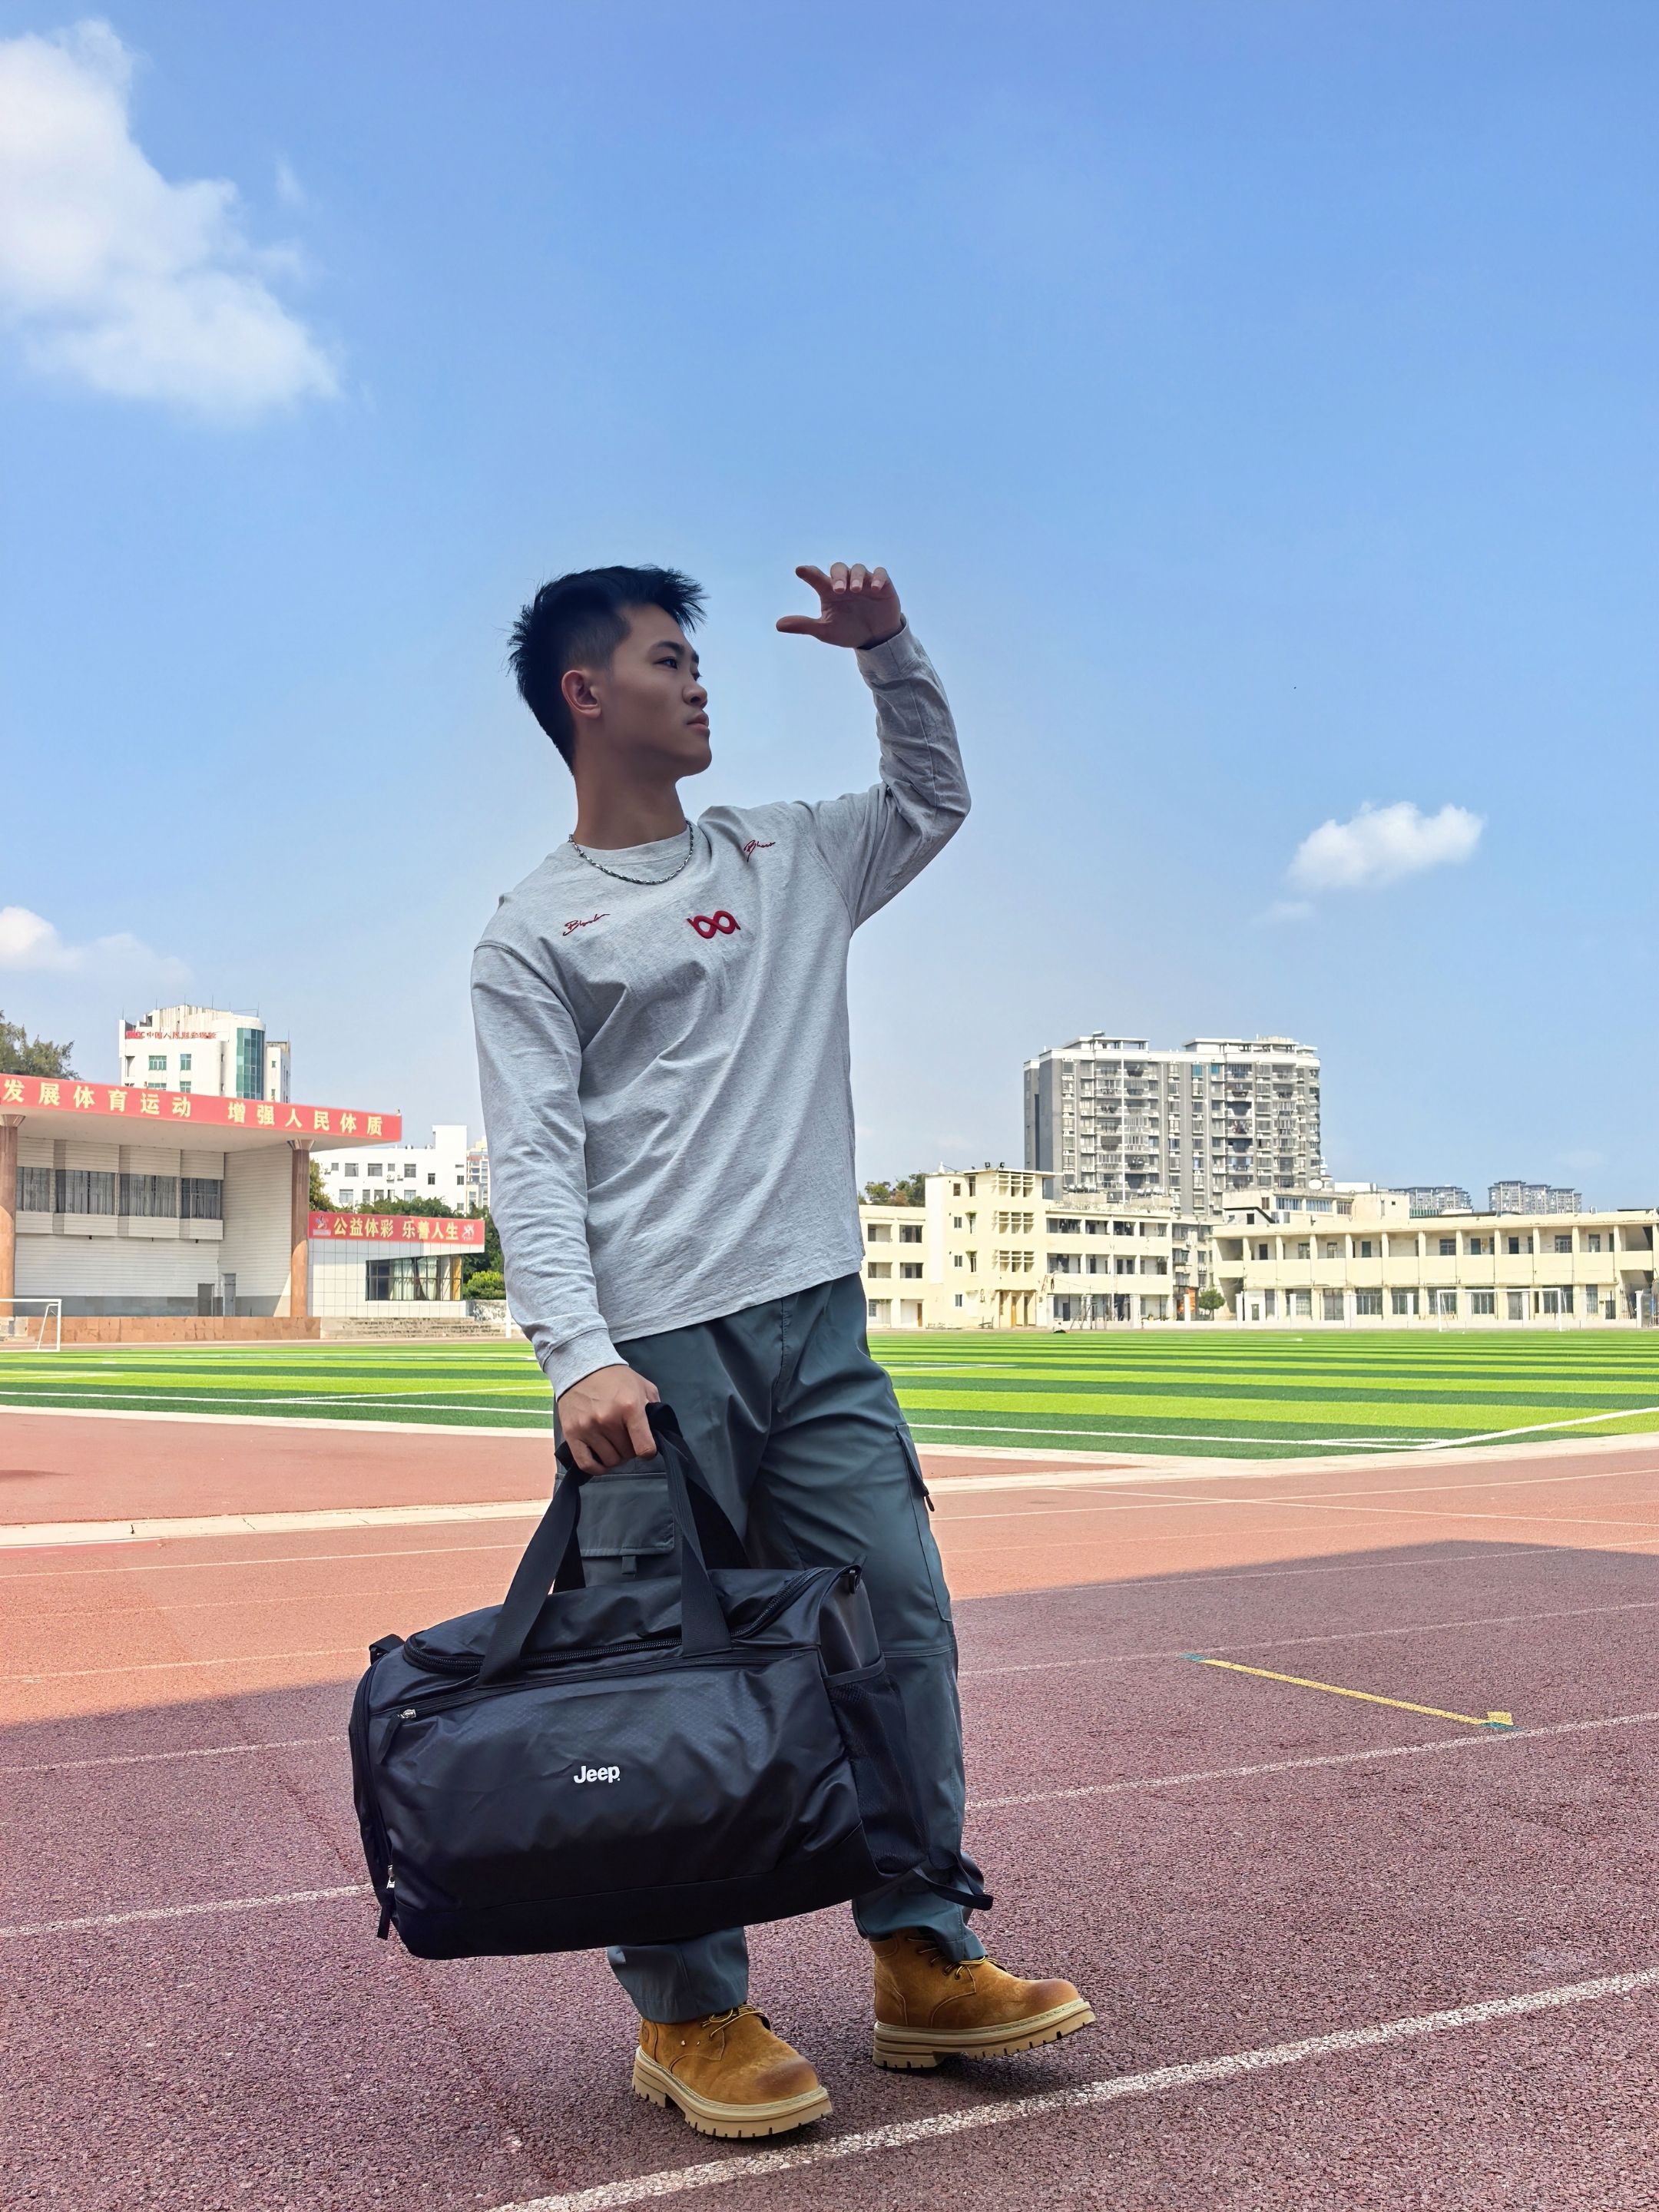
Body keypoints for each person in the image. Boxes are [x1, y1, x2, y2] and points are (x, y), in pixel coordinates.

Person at [472, 561, 1091, 2141]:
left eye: (701, 660)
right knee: (666, 1678)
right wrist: (575, 1353)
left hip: (819, 1326)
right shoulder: (534, 931)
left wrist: (890, 653)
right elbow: (532, 1159)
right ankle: (690, 2010)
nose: (701, 683)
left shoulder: (787, 850)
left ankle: (924, 1955)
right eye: (667, 660)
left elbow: (933, 797)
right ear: (584, 695)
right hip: (651, 1354)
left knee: (899, 1632)